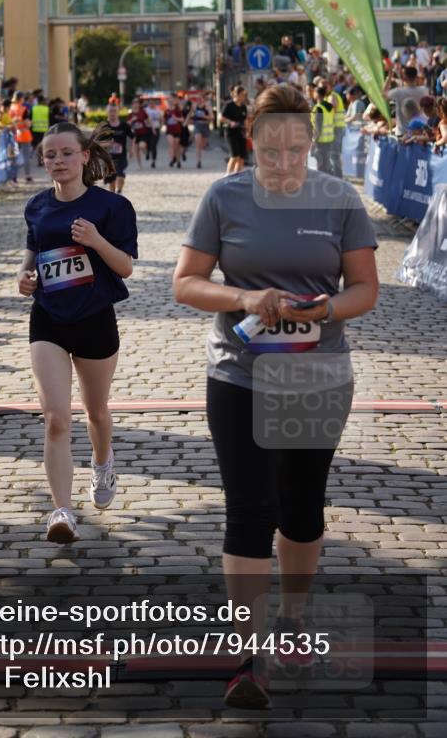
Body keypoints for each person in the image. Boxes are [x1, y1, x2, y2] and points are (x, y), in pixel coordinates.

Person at [173, 84, 379, 709]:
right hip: (238, 373)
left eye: (295, 149)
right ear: (252, 141)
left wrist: (323, 307)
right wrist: (243, 298)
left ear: (310, 142)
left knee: (301, 509)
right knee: (250, 510)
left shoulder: (340, 200)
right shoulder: (223, 196)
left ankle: (292, 616)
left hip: (317, 375)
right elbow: (185, 283)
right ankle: (248, 656)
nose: (283, 162)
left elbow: (365, 289)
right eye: (270, 149)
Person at [17, 122, 138, 544]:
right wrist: (25, 274)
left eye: (67, 153)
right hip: (48, 317)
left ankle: (102, 462)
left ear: (85, 157)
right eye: (50, 155)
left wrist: (96, 240)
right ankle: (62, 511)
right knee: (55, 419)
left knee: (97, 412)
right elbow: (34, 248)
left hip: (94, 317)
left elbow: (125, 267)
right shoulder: (36, 205)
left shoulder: (112, 207)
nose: (58, 161)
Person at [383, 65, 428, 137]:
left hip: (402, 133)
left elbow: (383, 94)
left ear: (404, 78)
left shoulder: (398, 92)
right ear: (416, 77)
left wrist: (389, 77)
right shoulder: (424, 91)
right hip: (419, 133)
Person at [103, 103, 133, 193]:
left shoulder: (124, 126)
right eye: (110, 111)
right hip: (108, 158)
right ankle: (113, 196)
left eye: (114, 111)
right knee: (111, 180)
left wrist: (132, 149)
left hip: (121, 156)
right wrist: (107, 143)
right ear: (107, 112)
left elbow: (133, 137)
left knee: (121, 175)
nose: (112, 113)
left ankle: (119, 191)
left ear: (118, 112)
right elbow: (96, 142)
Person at [222, 85, 248, 176]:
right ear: (236, 94)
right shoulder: (229, 105)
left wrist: (247, 131)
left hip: (241, 133)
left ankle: (237, 176)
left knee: (241, 157)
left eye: (244, 95)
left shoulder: (243, 107)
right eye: (242, 94)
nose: (244, 96)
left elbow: (245, 120)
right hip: (231, 133)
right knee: (234, 156)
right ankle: (228, 175)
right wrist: (230, 122)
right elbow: (221, 117)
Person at [311, 85, 336, 174]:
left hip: (320, 140)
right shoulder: (329, 106)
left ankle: (322, 183)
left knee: (320, 164)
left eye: (314, 92)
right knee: (326, 162)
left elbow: (318, 126)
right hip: (329, 138)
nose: (313, 94)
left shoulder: (319, 108)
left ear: (317, 95)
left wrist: (314, 140)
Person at [11, 90, 34, 183]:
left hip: (13, 135)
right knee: (26, 156)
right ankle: (27, 175)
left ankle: (14, 176)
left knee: (13, 156)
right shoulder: (23, 109)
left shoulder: (11, 108)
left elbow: (11, 121)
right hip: (24, 134)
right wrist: (28, 123)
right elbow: (28, 123)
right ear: (21, 99)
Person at [128, 98, 152, 169]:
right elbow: (128, 124)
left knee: (142, 146)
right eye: (134, 103)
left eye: (137, 103)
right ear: (132, 105)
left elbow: (148, 120)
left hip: (143, 132)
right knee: (136, 150)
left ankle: (146, 151)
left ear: (139, 105)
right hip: (135, 133)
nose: (136, 105)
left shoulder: (142, 112)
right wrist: (132, 120)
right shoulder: (130, 114)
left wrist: (150, 126)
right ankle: (139, 165)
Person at [165, 96, 185, 168]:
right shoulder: (166, 111)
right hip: (169, 131)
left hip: (177, 130)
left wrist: (176, 118)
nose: (170, 102)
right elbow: (164, 121)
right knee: (171, 144)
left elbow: (182, 119)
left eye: (171, 101)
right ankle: (172, 159)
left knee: (176, 146)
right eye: (169, 101)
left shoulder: (177, 110)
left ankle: (178, 161)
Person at [192, 97, 211, 169]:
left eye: (200, 99)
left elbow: (212, 117)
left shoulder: (207, 106)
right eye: (197, 99)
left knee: (203, 145)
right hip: (197, 125)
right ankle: (198, 162)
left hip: (205, 125)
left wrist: (204, 116)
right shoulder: (194, 106)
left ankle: (203, 147)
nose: (199, 100)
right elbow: (191, 115)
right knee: (198, 144)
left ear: (203, 99)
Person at [31, 93, 50, 161]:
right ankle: (42, 158)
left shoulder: (33, 108)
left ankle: (39, 158)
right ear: (42, 101)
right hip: (44, 129)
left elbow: (30, 118)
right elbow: (50, 118)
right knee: (43, 145)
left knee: (36, 145)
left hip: (35, 129)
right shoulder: (46, 109)